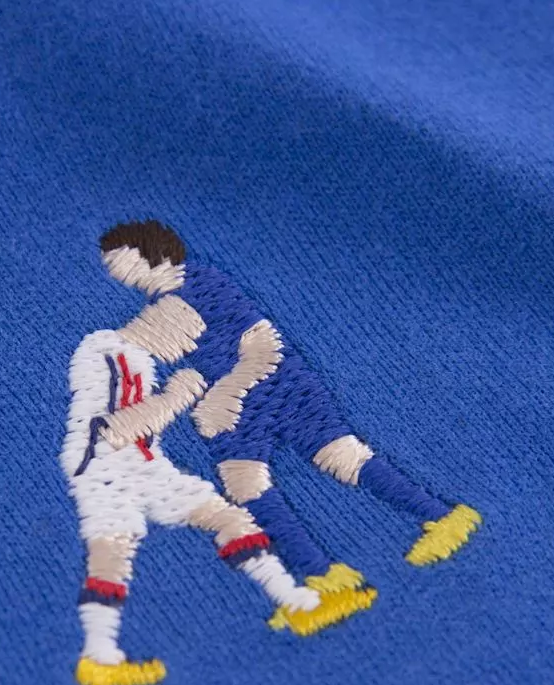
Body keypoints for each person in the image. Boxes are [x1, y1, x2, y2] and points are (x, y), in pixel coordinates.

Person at [96, 219, 481, 621]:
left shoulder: (198, 286)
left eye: (119, 261)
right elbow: (168, 350)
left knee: (340, 457)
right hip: (243, 405)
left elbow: (258, 341)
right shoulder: (175, 298)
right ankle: (327, 578)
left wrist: (226, 391)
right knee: (249, 485)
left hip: (274, 387)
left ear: (151, 252)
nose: (115, 272)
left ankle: (436, 520)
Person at [61, 324, 343, 685]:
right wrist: (178, 395)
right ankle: (98, 656)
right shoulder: (108, 352)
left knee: (227, 518)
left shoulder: (137, 355)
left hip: (143, 464)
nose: (187, 344)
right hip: (105, 467)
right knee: (111, 554)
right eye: (184, 332)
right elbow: (116, 430)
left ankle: (293, 600)